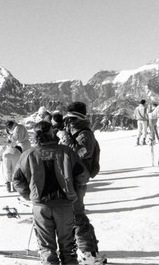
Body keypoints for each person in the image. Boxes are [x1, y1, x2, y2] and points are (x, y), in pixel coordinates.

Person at [13, 121, 90, 265]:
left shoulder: (28, 155)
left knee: (46, 248)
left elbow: (17, 179)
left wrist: (29, 195)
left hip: (41, 206)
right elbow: (83, 176)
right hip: (64, 204)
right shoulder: (67, 152)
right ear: (51, 133)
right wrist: (75, 187)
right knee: (68, 246)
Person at [60, 102, 106, 265]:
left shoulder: (85, 135)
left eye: (71, 119)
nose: (68, 122)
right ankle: (89, 250)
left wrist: (65, 137)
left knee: (76, 216)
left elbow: (77, 154)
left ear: (78, 118)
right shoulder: (77, 133)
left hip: (77, 180)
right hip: (74, 179)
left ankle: (88, 253)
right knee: (77, 215)